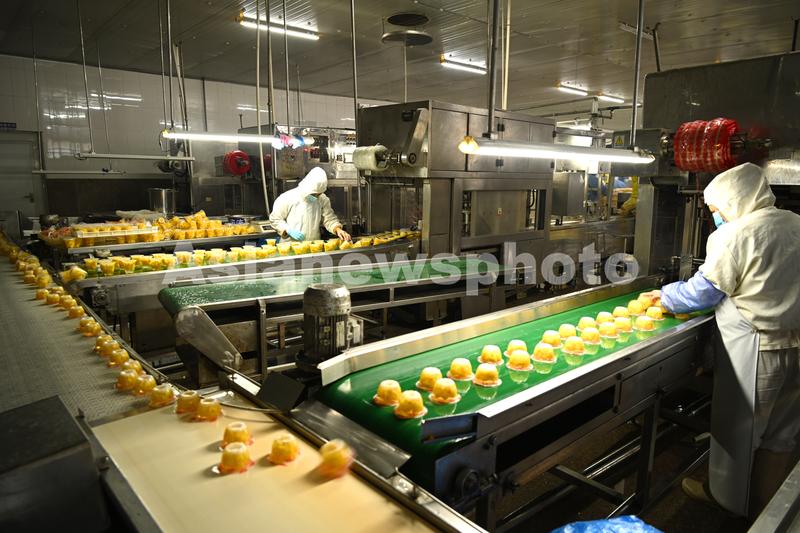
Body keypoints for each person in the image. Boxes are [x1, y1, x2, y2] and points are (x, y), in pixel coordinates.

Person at [648, 163, 800, 520]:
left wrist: (664, 296)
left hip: (757, 350)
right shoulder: (795, 223)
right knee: (782, 434)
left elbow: (704, 292)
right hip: (796, 346)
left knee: (738, 432)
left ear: (734, 200)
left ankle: (726, 503)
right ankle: (766, 512)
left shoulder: (736, 234)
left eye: (716, 209)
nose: (715, 217)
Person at [269, 167, 351, 242]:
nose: (316, 197)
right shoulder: (287, 197)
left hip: (313, 246)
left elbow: (329, 219)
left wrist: (338, 229)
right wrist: (288, 230)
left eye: (318, 194)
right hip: (290, 246)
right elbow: (275, 219)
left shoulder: (322, 199)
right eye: (313, 194)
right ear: (307, 188)